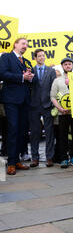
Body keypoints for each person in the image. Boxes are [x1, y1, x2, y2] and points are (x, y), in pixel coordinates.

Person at [0, 38, 36, 175]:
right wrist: (21, 78)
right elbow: (2, 73)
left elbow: (32, 77)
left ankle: (17, 160)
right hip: (11, 100)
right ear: (15, 44)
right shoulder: (6, 57)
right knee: (13, 129)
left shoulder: (26, 61)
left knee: (22, 131)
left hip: (25, 100)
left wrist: (31, 77)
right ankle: (10, 163)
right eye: (23, 44)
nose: (25, 46)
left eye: (27, 45)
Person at [50, 57, 73, 168]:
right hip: (62, 113)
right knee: (62, 136)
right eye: (65, 64)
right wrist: (60, 109)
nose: (68, 66)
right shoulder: (57, 80)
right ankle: (63, 158)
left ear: (72, 65)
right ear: (62, 66)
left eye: (69, 64)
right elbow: (52, 96)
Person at [29, 49, 57, 168]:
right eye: (39, 56)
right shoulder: (31, 70)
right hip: (34, 106)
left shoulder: (51, 71)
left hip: (47, 105)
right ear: (35, 58)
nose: (41, 58)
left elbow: (53, 87)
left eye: (43, 56)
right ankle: (35, 158)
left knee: (49, 132)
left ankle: (49, 157)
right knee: (35, 133)